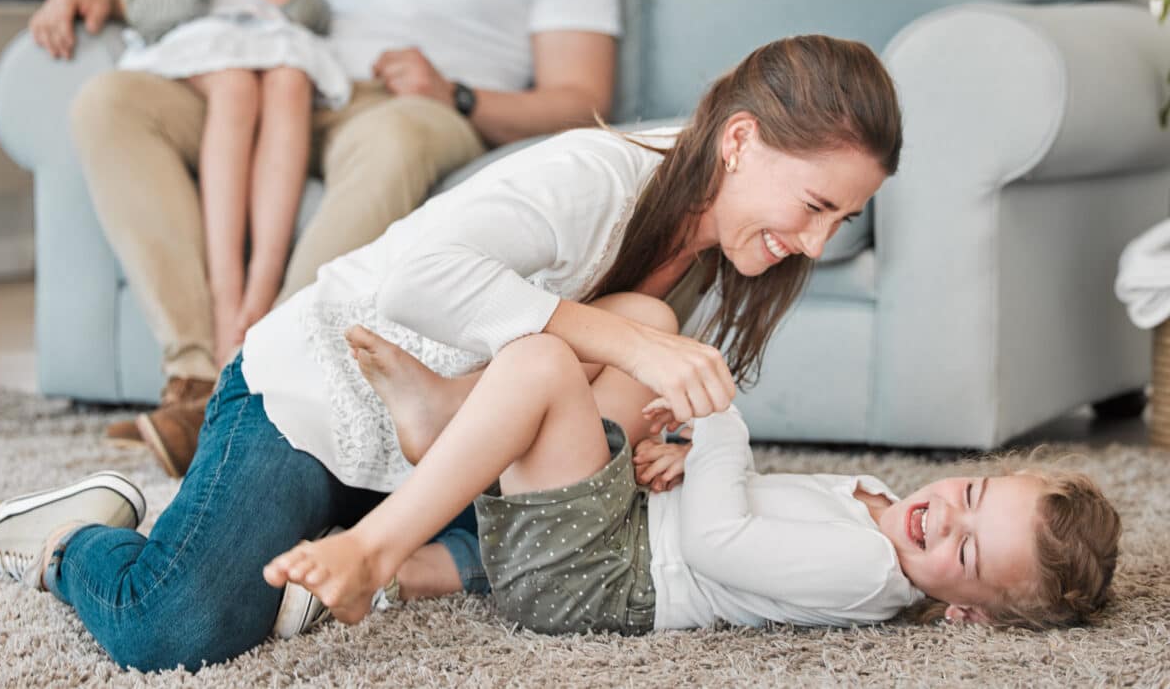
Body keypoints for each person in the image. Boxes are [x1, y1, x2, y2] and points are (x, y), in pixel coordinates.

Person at [0, 35, 899, 672]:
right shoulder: (595, 176)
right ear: (740, 141)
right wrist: (625, 343)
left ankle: (443, 426)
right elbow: (416, 276)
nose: (817, 244)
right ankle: (70, 537)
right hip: (322, 395)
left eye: (842, 221)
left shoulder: (709, 255)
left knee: (586, 555)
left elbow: (605, 402)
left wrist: (669, 443)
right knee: (177, 626)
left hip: (451, 463)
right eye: (816, 206)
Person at [27, 0, 621, 476]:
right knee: (111, 100)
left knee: (398, 137)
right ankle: (192, 369)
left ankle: (248, 377)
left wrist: (457, 94)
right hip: (297, 87)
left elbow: (585, 98)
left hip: (408, 108)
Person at [265, 320, 1122, 634]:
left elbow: (719, 542)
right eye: (971, 498)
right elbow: (752, 504)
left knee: (542, 364)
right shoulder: (891, 512)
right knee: (643, 324)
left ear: (966, 610)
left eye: (967, 554)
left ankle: (381, 548)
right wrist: (686, 455)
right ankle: (453, 422)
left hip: (592, 579)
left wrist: (715, 423)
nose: (945, 520)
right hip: (625, 532)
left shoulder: (870, 572)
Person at [118, 0, 345, 371]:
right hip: (197, 48)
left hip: (273, 44)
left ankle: (262, 288)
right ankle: (225, 300)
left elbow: (312, 17)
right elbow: (143, 13)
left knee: (290, 80)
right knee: (238, 87)